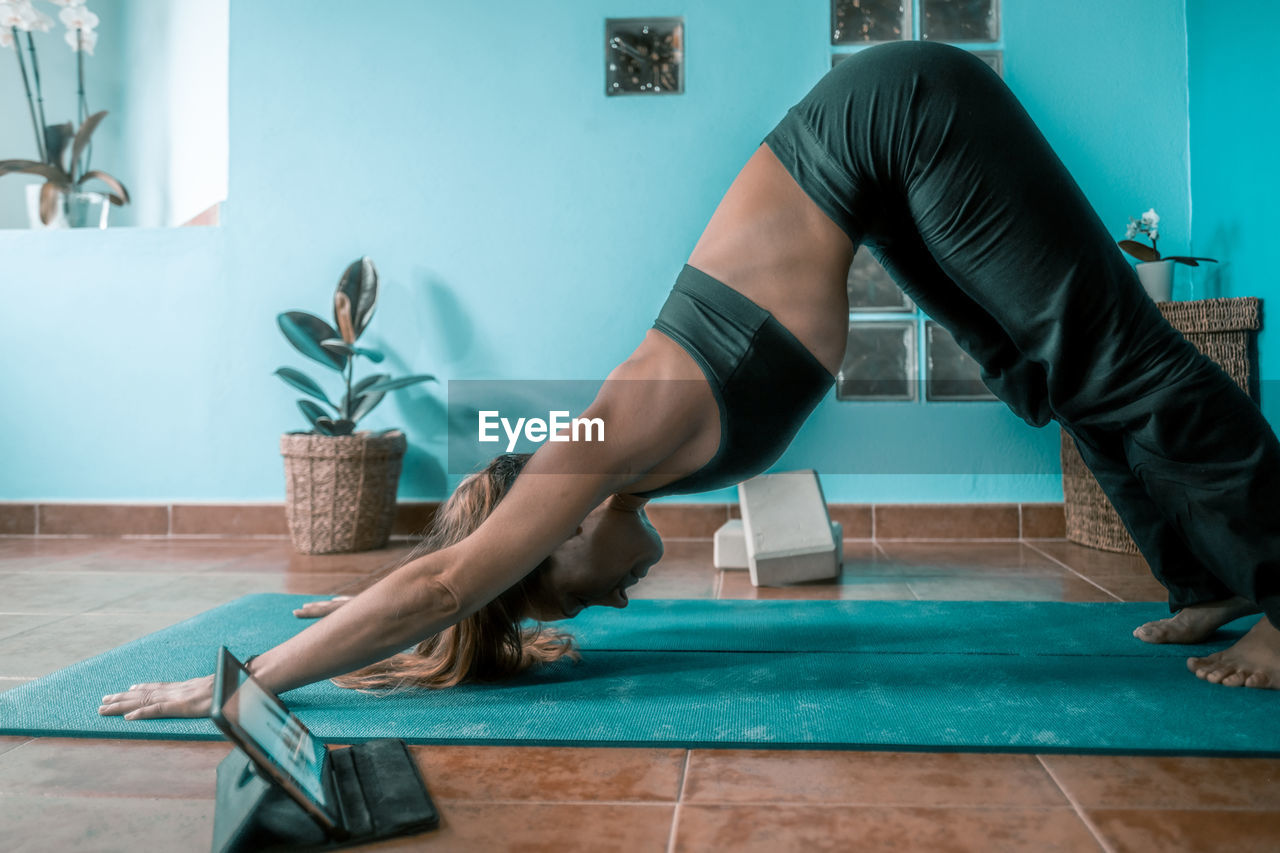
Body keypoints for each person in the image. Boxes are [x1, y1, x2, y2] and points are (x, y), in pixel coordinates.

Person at [100, 42, 1279, 722]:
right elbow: (455, 567)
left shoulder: (608, 434)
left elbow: (452, 578)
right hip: (877, 167)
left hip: (906, 117)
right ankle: (1202, 577)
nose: (610, 602)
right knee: (1043, 372)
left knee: (1109, 348)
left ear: (554, 529)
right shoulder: (606, 465)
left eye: (569, 594)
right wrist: (359, 603)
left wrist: (232, 686)